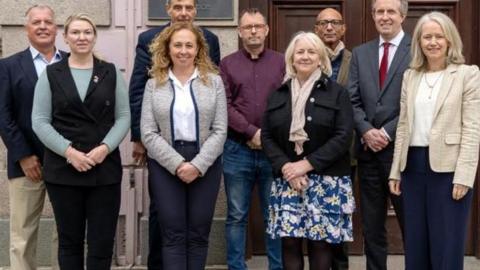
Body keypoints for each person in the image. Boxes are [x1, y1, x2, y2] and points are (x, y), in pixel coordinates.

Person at [31, 13, 130, 270]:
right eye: (75, 32)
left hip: (104, 169)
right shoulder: (51, 74)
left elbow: (123, 117)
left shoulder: (110, 72)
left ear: (95, 37)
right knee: (69, 242)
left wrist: (104, 149)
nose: (81, 37)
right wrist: (69, 152)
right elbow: (40, 121)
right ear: (65, 37)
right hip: (64, 170)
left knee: (101, 243)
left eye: (87, 32)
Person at [128, 1, 220, 267]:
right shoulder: (148, 40)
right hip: (162, 147)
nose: (183, 12)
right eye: (177, 6)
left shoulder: (210, 40)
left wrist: (200, 161)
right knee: (165, 218)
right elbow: (137, 89)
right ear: (167, 9)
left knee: (196, 226)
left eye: (188, 7)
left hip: (201, 151)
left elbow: (214, 105)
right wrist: (139, 139)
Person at [388, 11, 480, 270]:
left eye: (439, 36)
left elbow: (472, 128)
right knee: (416, 244)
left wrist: (464, 176)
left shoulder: (467, 74)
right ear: (419, 42)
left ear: (449, 40)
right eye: (426, 37)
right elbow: (403, 126)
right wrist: (396, 170)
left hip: (449, 170)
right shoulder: (411, 76)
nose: (433, 42)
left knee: (446, 244)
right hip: (413, 168)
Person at [262, 31, 354, 270]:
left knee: (320, 244)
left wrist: (306, 164)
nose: (305, 56)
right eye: (300, 52)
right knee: (290, 243)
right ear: (291, 58)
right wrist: (287, 168)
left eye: (311, 52)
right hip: (287, 181)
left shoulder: (337, 93)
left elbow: (343, 137)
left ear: (321, 58)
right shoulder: (277, 94)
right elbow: (268, 136)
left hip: (327, 182)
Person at [219, 8, 284, 270]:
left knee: (275, 215)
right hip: (237, 150)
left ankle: (276, 266)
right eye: (248, 27)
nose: (253, 31)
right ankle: (236, 267)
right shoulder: (227, 64)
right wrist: (251, 131)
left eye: (258, 26)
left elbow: (286, 102)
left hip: (274, 152)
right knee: (236, 216)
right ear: (239, 31)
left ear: (267, 30)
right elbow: (224, 105)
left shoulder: (281, 62)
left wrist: (265, 135)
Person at [348, 0, 410, 269]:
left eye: (390, 11)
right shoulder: (360, 53)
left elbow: (417, 101)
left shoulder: (417, 50)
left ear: (402, 15)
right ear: (373, 16)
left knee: (411, 223)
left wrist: (386, 132)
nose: (384, 17)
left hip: (402, 153)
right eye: (379, 12)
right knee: (372, 226)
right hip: (368, 153)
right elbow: (351, 99)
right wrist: (366, 130)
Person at [0, 4, 62, 270]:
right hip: (26, 165)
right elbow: (3, 115)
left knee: (67, 234)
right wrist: (24, 155)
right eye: (36, 22)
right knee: (22, 236)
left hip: (67, 163)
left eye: (48, 22)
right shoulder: (8, 66)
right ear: (27, 30)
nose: (42, 26)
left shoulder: (73, 62)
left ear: (56, 29)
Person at [314, 8, 351, 270]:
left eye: (334, 22)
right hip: (309, 154)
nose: (329, 27)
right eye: (324, 23)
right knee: (312, 218)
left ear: (343, 28)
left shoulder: (355, 59)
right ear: (316, 28)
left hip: (344, 153)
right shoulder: (305, 56)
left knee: (338, 218)